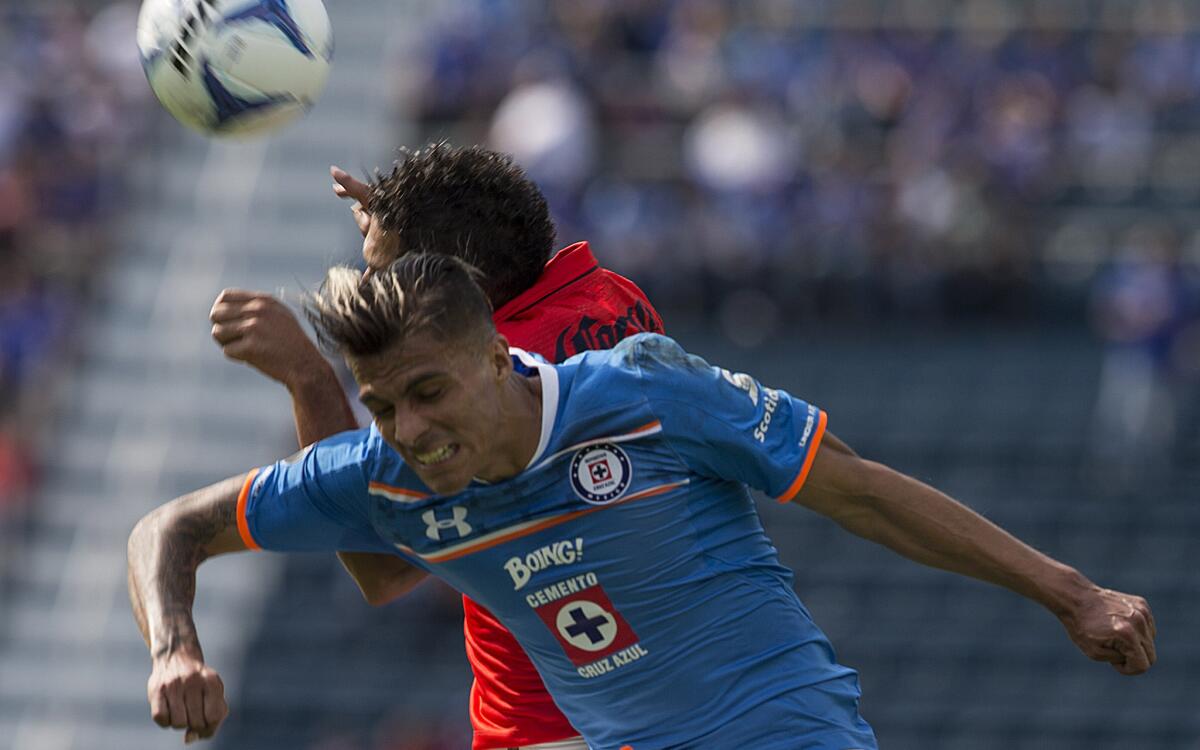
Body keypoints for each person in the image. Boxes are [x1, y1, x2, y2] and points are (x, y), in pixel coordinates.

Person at [130, 253, 1157, 749]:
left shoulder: (645, 394)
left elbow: (865, 497)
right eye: (381, 403)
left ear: (499, 358)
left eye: (429, 391)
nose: (406, 427)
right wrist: (173, 643)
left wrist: (1072, 595)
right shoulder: (382, 475)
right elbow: (167, 529)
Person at [207, 143, 662, 749]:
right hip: (663, 694)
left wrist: (307, 376)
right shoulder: (615, 298)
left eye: (380, 272)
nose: (368, 287)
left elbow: (381, 570)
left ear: (450, 281)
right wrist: (408, 234)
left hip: (552, 725)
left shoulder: (486, 386)